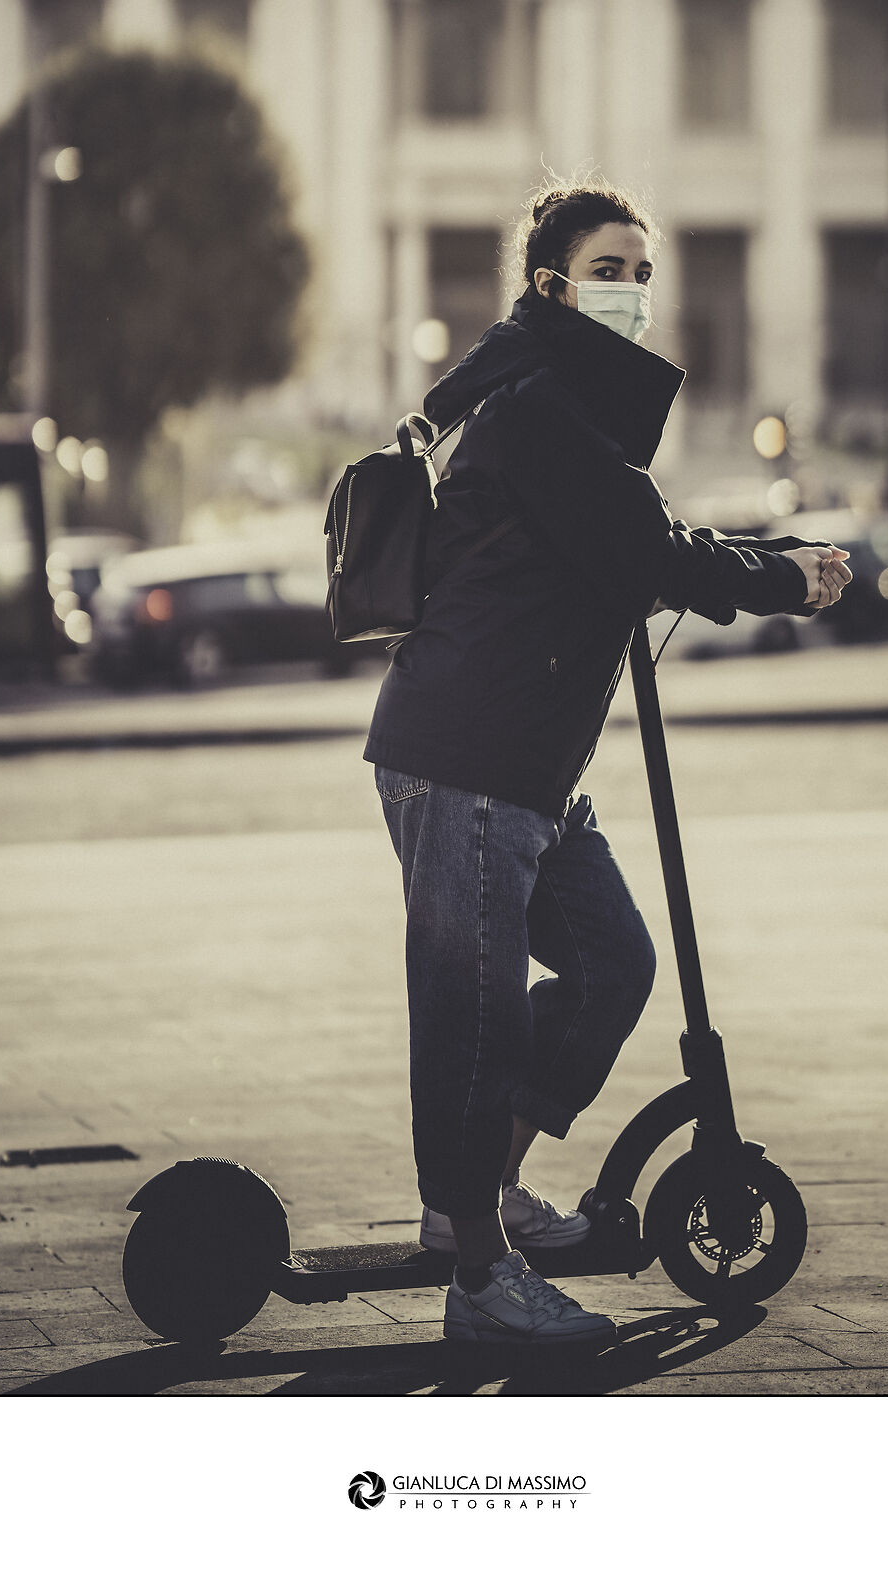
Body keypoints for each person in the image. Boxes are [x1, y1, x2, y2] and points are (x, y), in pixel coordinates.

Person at [364, 182, 851, 1348]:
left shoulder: (557, 403)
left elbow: (619, 539)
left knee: (610, 960)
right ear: (550, 285)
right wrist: (781, 577)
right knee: (474, 1021)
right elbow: (644, 543)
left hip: (522, 766)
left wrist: (746, 564)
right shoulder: (536, 403)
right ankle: (479, 1279)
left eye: (643, 272)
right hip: (468, 756)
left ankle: (486, 1203)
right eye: (609, 269)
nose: (633, 291)